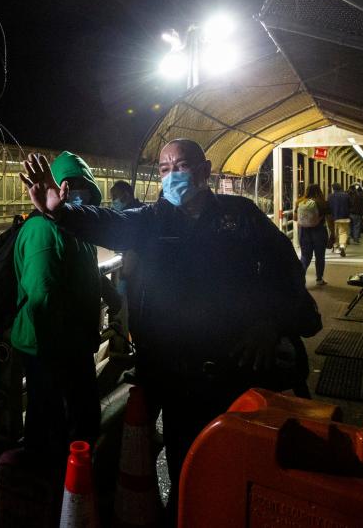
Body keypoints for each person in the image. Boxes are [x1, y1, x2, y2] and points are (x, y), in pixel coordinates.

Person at [19, 140, 319, 524]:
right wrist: (61, 211)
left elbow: (287, 272)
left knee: (235, 465)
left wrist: (271, 323)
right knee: (187, 463)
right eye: (163, 169)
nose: (172, 175)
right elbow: (109, 222)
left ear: (205, 170)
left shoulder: (240, 216)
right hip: (174, 373)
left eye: (181, 165)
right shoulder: (152, 220)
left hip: (234, 370)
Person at [11, 151, 103, 476]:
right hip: (50, 351)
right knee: (53, 426)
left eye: (83, 186)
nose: (76, 192)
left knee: (76, 423)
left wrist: (109, 296)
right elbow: (43, 298)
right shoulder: (44, 232)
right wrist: (61, 358)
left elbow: (87, 274)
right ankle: (49, 493)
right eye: (68, 184)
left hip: (73, 345)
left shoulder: (78, 229)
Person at [295, 183, 334, 286]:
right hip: (319, 231)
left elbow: (295, 218)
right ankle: (319, 279)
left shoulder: (300, 202)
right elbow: (330, 220)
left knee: (305, 257)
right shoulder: (322, 203)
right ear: (319, 191)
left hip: (303, 231)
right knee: (320, 256)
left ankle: (299, 280)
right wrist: (333, 233)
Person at [327, 182, 351, 257]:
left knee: (335, 232)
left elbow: (328, 207)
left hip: (333, 218)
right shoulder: (346, 195)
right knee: (343, 232)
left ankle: (336, 246)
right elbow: (350, 205)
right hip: (344, 217)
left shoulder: (330, 196)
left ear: (333, 189)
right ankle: (342, 246)